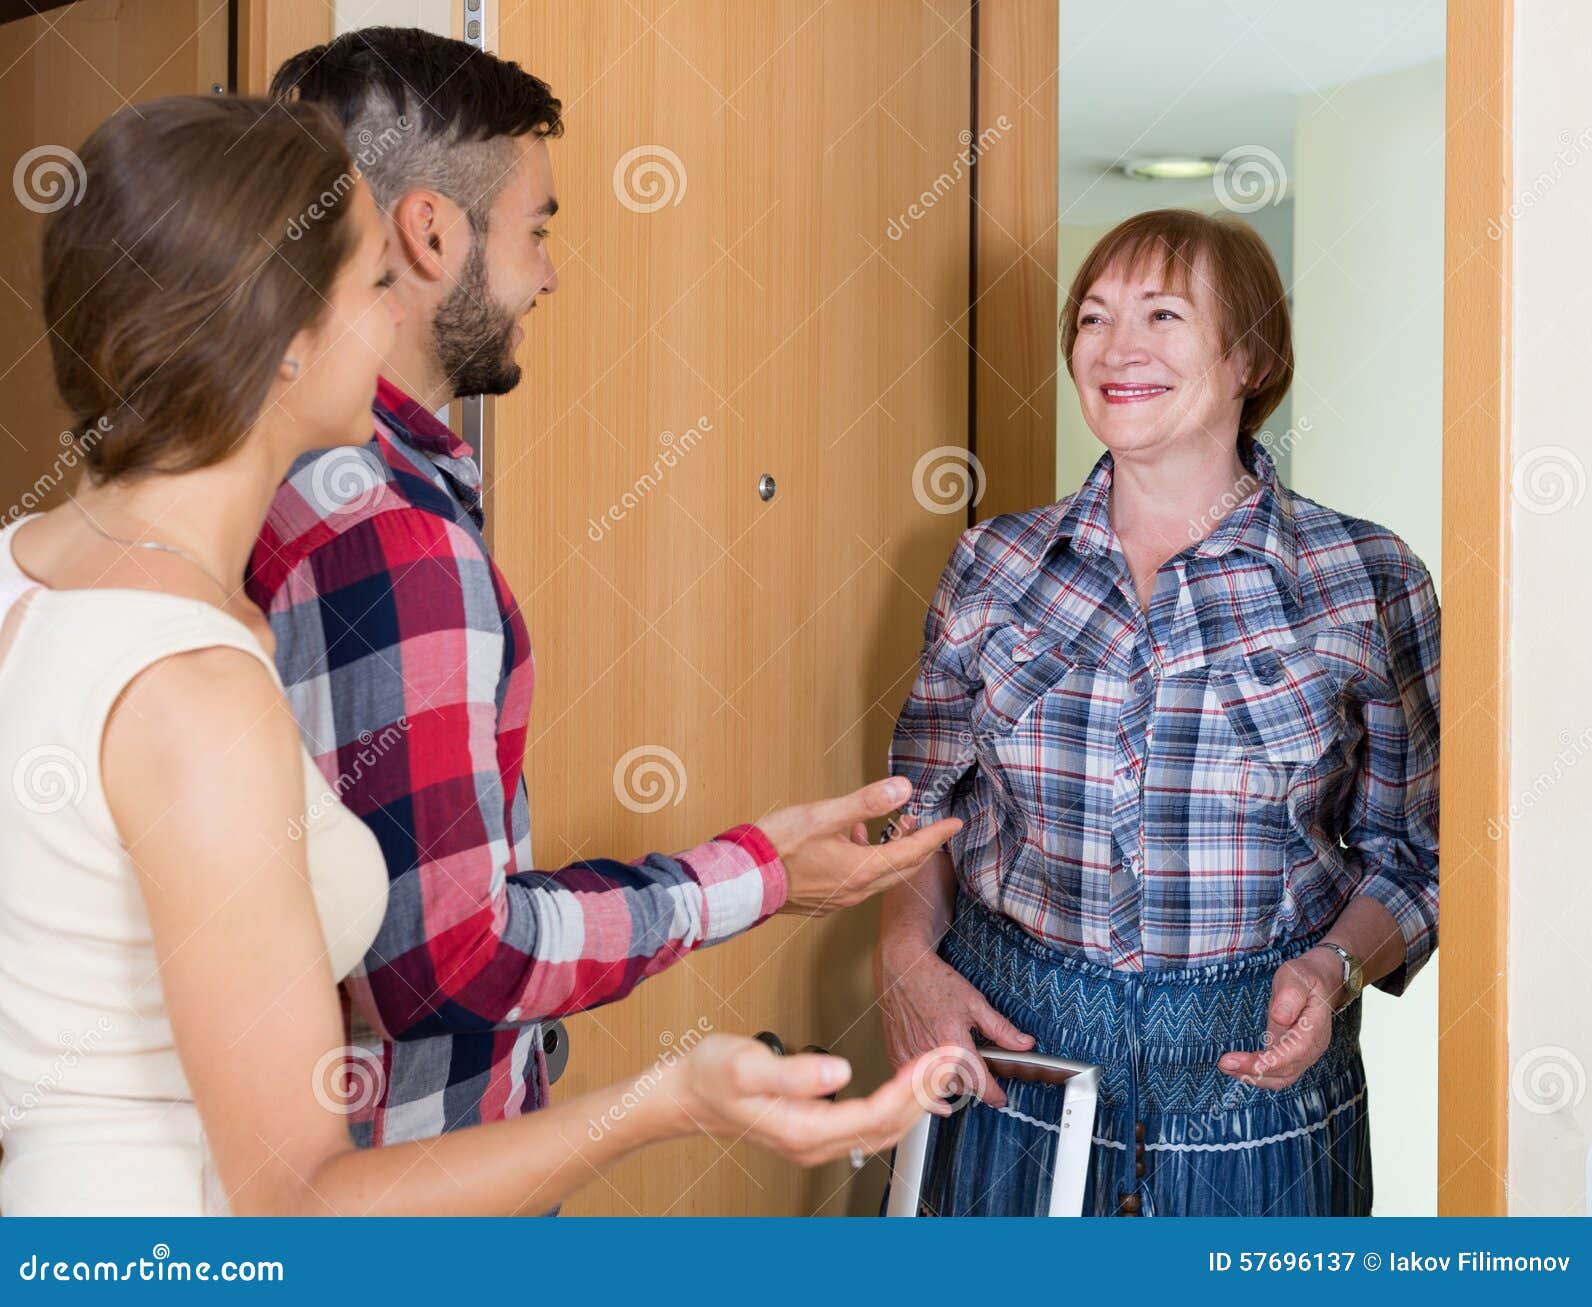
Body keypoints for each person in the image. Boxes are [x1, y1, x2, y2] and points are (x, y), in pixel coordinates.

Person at [0, 94, 960, 1217]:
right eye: (371, 285)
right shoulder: (194, 689)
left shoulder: (28, 574)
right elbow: (303, 1203)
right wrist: (664, 1099)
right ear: (287, 340)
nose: (395, 315)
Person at [246, 27, 958, 1152]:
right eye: (535, 229)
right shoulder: (390, 531)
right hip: (421, 1195)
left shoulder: (285, 473)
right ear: (431, 232)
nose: (548, 272)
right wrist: (756, 877)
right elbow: (443, 967)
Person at [875, 208, 1441, 1216]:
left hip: (1260, 1100)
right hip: (1009, 1071)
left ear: (1252, 355)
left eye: (1162, 314)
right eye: (1092, 318)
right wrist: (902, 954)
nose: (1115, 347)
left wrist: (1335, 966)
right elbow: (919, 807)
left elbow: (1418, 852)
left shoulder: (1367, 579)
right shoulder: (993, 564)